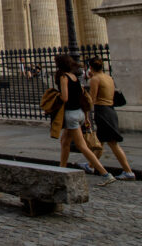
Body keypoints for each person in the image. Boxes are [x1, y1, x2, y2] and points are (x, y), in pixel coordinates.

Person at [54, 54, 116, 186]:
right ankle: (61, 170)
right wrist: (87, 117)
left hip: (71, 115)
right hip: (80, 113)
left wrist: (54, 97)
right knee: (65, 142)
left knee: (82, 146)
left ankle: (105, 173)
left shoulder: (64, 77)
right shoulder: (75, 77)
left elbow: (64, 98)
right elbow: (83, 97)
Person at [88, 58, 136, 181]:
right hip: (110, 110)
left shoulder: (95, 79)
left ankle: (128, 171)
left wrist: (86, 113)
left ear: (91, 67)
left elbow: (91, 99)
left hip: (102, 111)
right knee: (101, 142)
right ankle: (91, 165)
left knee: (112, 143)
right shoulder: (109, 78)